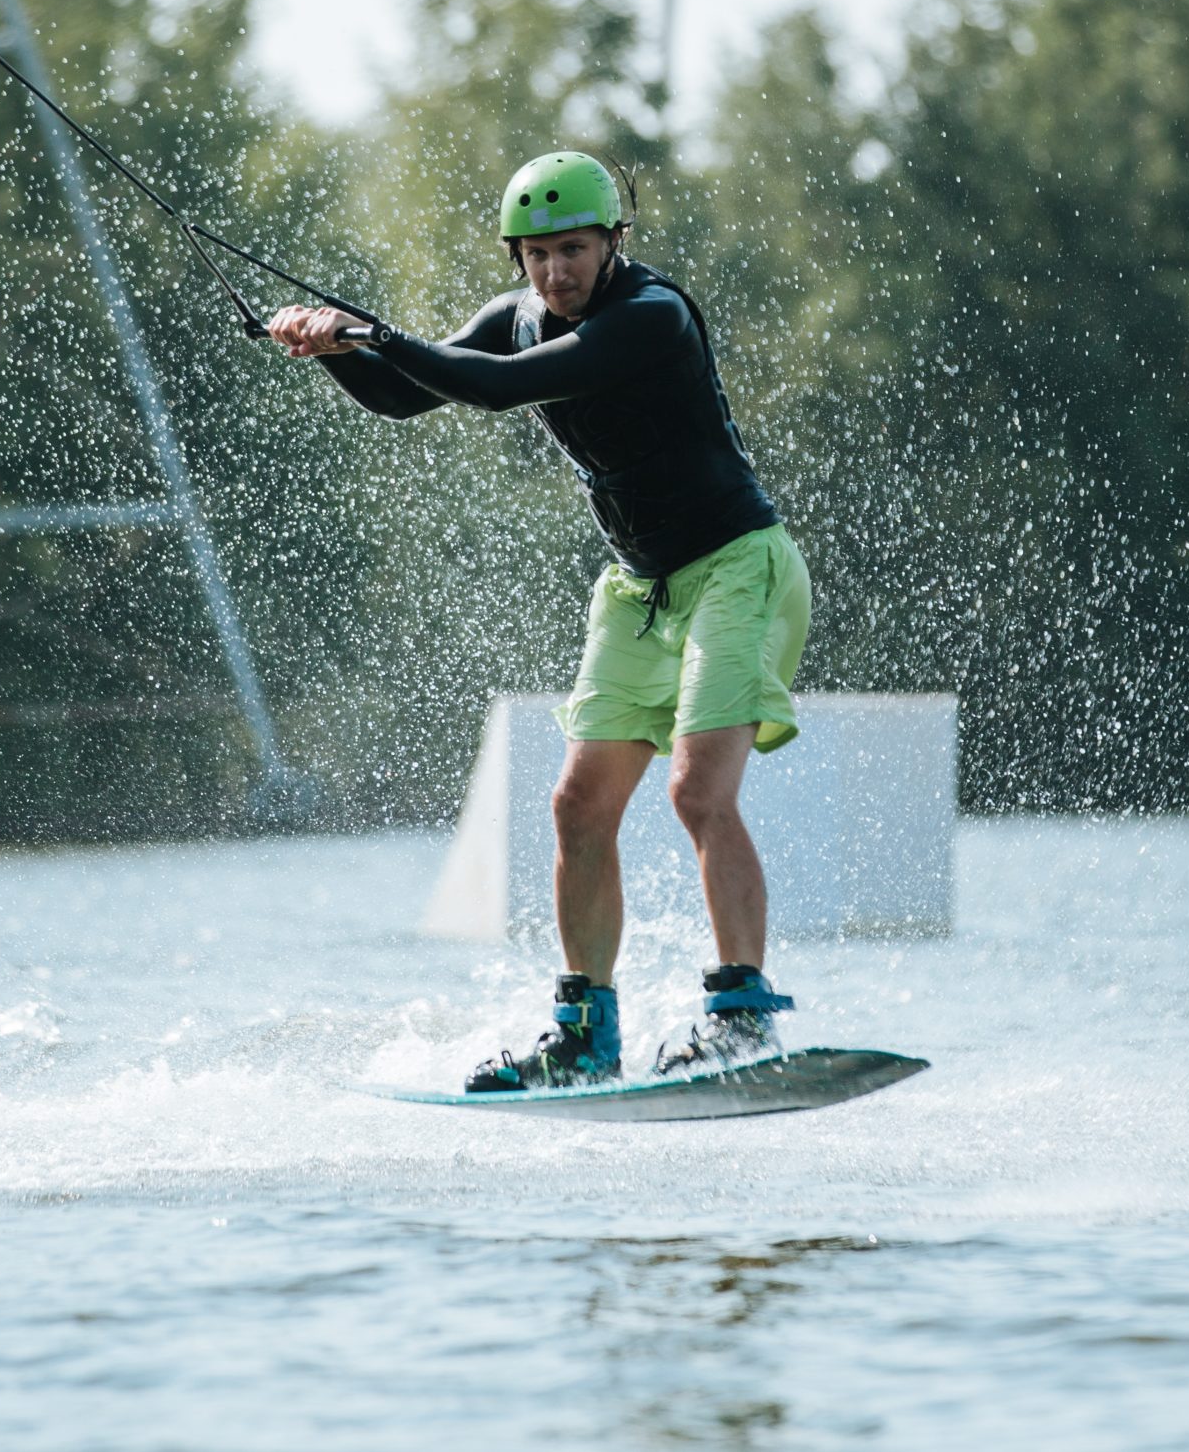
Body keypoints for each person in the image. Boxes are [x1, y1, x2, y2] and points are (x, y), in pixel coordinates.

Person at [268, 150, 811, 1091]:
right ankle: (585, 1035)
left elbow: (500, 387)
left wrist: (369, 331)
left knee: (696, 793)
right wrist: (335, 352)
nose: (557, 272)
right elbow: (410, 394)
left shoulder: (650, 315)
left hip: (737, 569)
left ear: (613, 244)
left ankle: (741, 1020)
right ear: (517, 257)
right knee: (577, 805)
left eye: (576, 250)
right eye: (539, 255)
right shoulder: (516, 315)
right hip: (642, 591)